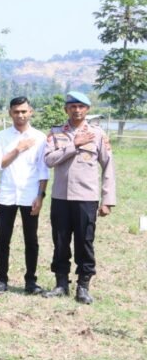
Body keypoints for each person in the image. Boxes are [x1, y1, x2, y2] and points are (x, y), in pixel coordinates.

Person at [43, 91, 115, 304]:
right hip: (61, 198)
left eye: (81, 106)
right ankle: (61, 283)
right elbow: (49, 160)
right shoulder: (56, 133)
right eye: (72, 106)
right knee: (60, 241)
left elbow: (108, 166)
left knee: (85, 242)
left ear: (87, 110)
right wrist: (74, 144)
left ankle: (83, 286)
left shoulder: (98, 134)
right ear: (66, 109)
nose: (77, 110)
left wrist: (107, 200)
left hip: (86, 197)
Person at [0, 96, 49, 295]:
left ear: (30, 112)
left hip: (30, 196)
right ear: (10, 113)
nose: (20, 115)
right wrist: (17, 149)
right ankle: (1, 279)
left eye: (24, 111)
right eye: (16, 111)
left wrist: (41, 196)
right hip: (6, 195)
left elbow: (43, 170)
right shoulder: (2, 137)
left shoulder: (40, 137)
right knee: (3, 238)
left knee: (31, 239)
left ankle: (31, 281)